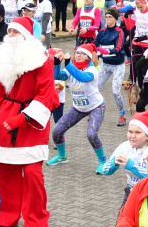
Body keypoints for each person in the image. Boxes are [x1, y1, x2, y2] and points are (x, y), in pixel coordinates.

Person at [0, 15, 59, 227]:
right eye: (9, 32)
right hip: (7, 118)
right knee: (2, 170)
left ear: (26, 36)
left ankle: (36, 221)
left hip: (31, 121)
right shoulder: (3, 60)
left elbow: (46, 94)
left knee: (32, 173)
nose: (11, 36)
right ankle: (5, 217)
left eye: (15, 32)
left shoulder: (42, 61)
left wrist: (22, 118)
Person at [47, 43, 109, 173]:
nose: (78, 55)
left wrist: (68, 63)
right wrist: (57, 64)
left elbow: (81, 77)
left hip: (96, 107)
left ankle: (103, 161)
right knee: (57, 131)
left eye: (82, 53)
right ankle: (62, 156)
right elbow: (58, 77)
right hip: (78, 108)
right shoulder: (72, 67)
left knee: (91, 134)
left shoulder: (92, 70)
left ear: (88, 57)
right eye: (77, 53)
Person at [101, 111, 148, 227]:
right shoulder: (124, 147)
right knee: (122, 223)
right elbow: (104, 170)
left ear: (147, 135)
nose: (132, 136)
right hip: (131, 192)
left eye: (138, 132)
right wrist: (113, 164)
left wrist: (132, 165)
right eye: (130, 132)